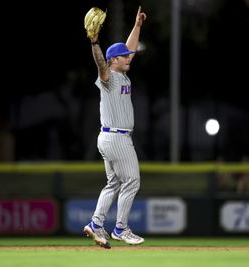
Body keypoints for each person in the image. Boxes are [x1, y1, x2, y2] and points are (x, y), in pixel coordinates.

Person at [83, 6, 146, 249]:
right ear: (113, 60)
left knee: (114, 183)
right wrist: (94, 42)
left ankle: (96, 224)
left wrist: (137, 25)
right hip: (117, 138)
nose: (129, 57)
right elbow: (100, 64)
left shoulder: (122, 72)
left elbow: (128, 48)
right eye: (124, 56)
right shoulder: (108, 76)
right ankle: (121, 228)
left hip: (108, 137)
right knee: (132, 180)